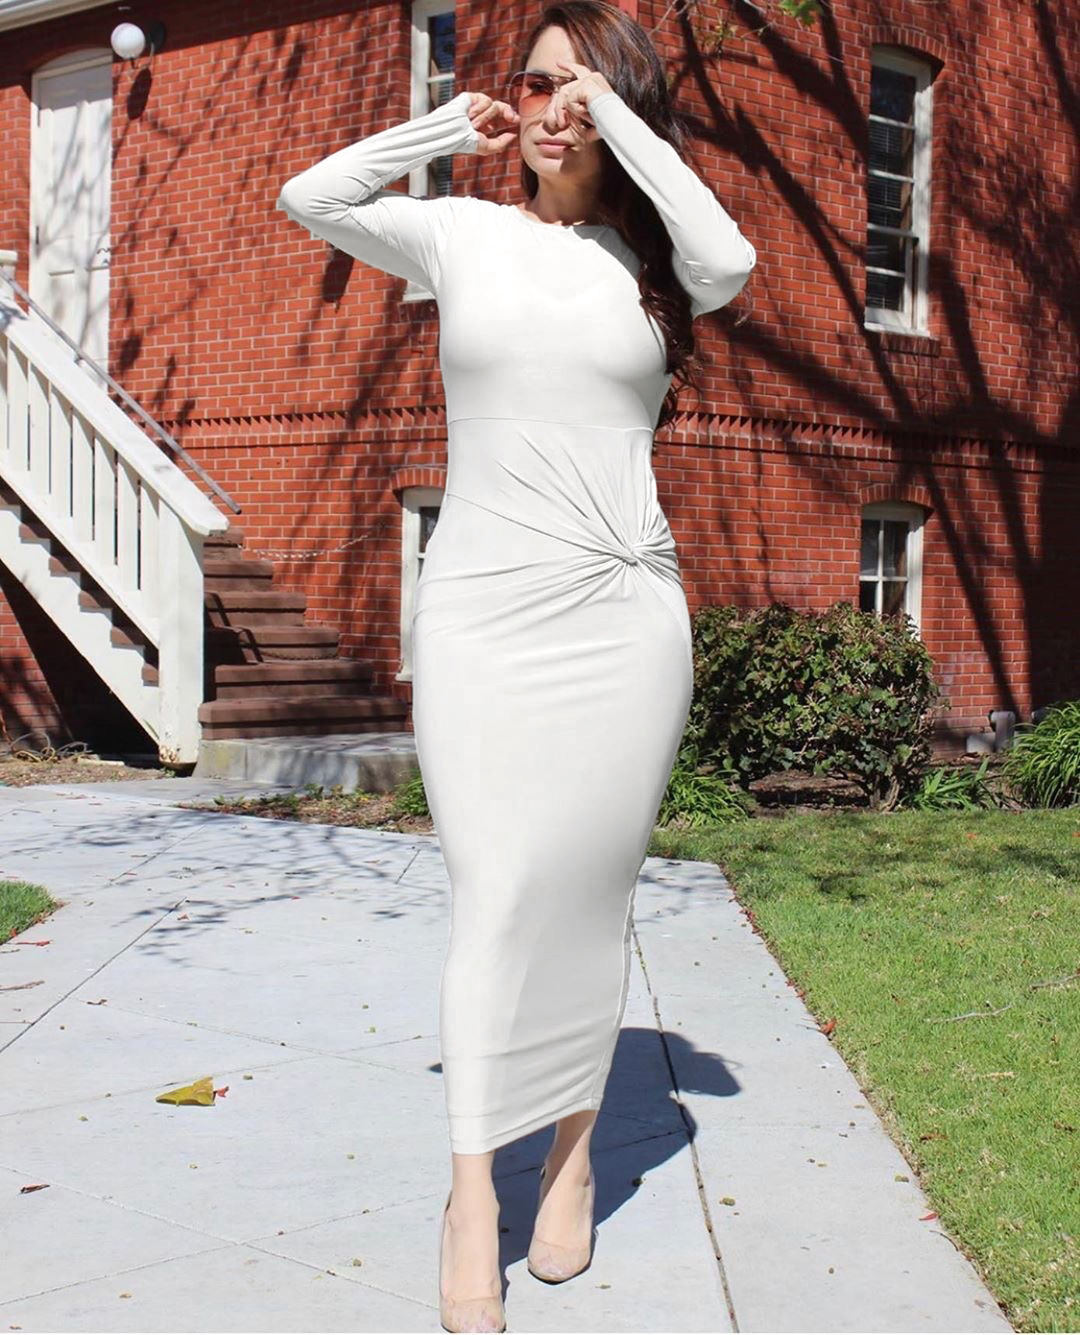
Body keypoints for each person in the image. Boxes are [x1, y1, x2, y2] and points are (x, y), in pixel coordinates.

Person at [276, 2, 756, 1329]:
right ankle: (471, 1196)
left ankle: (569, 1164)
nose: (555, 109)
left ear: (624, 109)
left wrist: (625, 130)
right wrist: (447, 126)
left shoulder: (658, 268)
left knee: (589, 900)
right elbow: (311, 195)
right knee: (493, 896)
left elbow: (730, 257)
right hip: (483, 613)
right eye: (540, 84)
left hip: (624, 618)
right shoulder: (462, 236)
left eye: (583, 90)